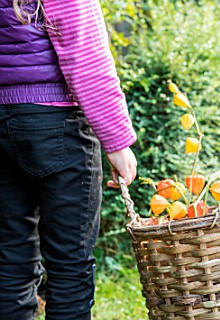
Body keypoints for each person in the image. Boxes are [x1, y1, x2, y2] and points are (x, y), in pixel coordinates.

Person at [0, 0, 137, 319]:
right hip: (57, 125)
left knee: (8, 262)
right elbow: (85, 55)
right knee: (69, 266)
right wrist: (117, 141)